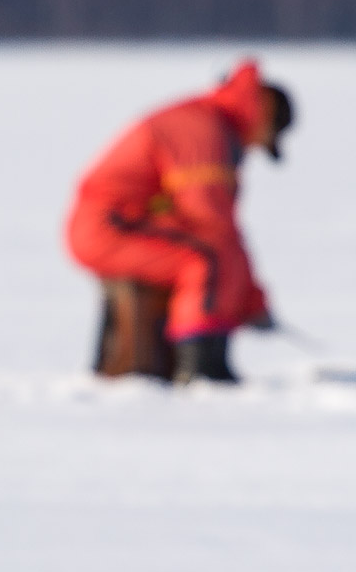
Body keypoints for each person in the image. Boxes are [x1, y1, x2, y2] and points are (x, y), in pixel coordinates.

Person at [65, 60, 293, 385]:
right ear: (263, 121)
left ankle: (188, 359)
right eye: (264, 140)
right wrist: (249, 302)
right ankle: (197, 365)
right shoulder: (205, 132)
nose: (255, 149)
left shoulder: (212, 122)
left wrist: (252, 298)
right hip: (107, 227)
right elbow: (211, 222)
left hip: (121, 224)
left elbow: (220, 227)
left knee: (209, 255)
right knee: (201, 262)